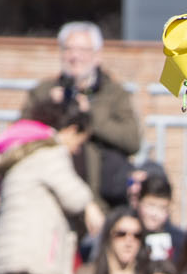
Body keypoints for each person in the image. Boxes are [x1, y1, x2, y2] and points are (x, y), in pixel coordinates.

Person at [23, 22, 142, 209]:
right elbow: (19, 136)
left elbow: (132, 140)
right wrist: (49, 108)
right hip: (51, 200)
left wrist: (91, 115)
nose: (75, 56)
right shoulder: (44, 91)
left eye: (82, 50)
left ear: (97, 56)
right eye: (68, 49)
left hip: (102, 201)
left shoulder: (114, 93)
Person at [0, 119, 99, 274]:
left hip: (6, 256)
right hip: (34, 259)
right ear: (71, 130)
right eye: (80, 142)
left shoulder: (24, 158)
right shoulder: (50, 155)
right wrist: (90, 204)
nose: (78, 150)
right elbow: (74, 198)